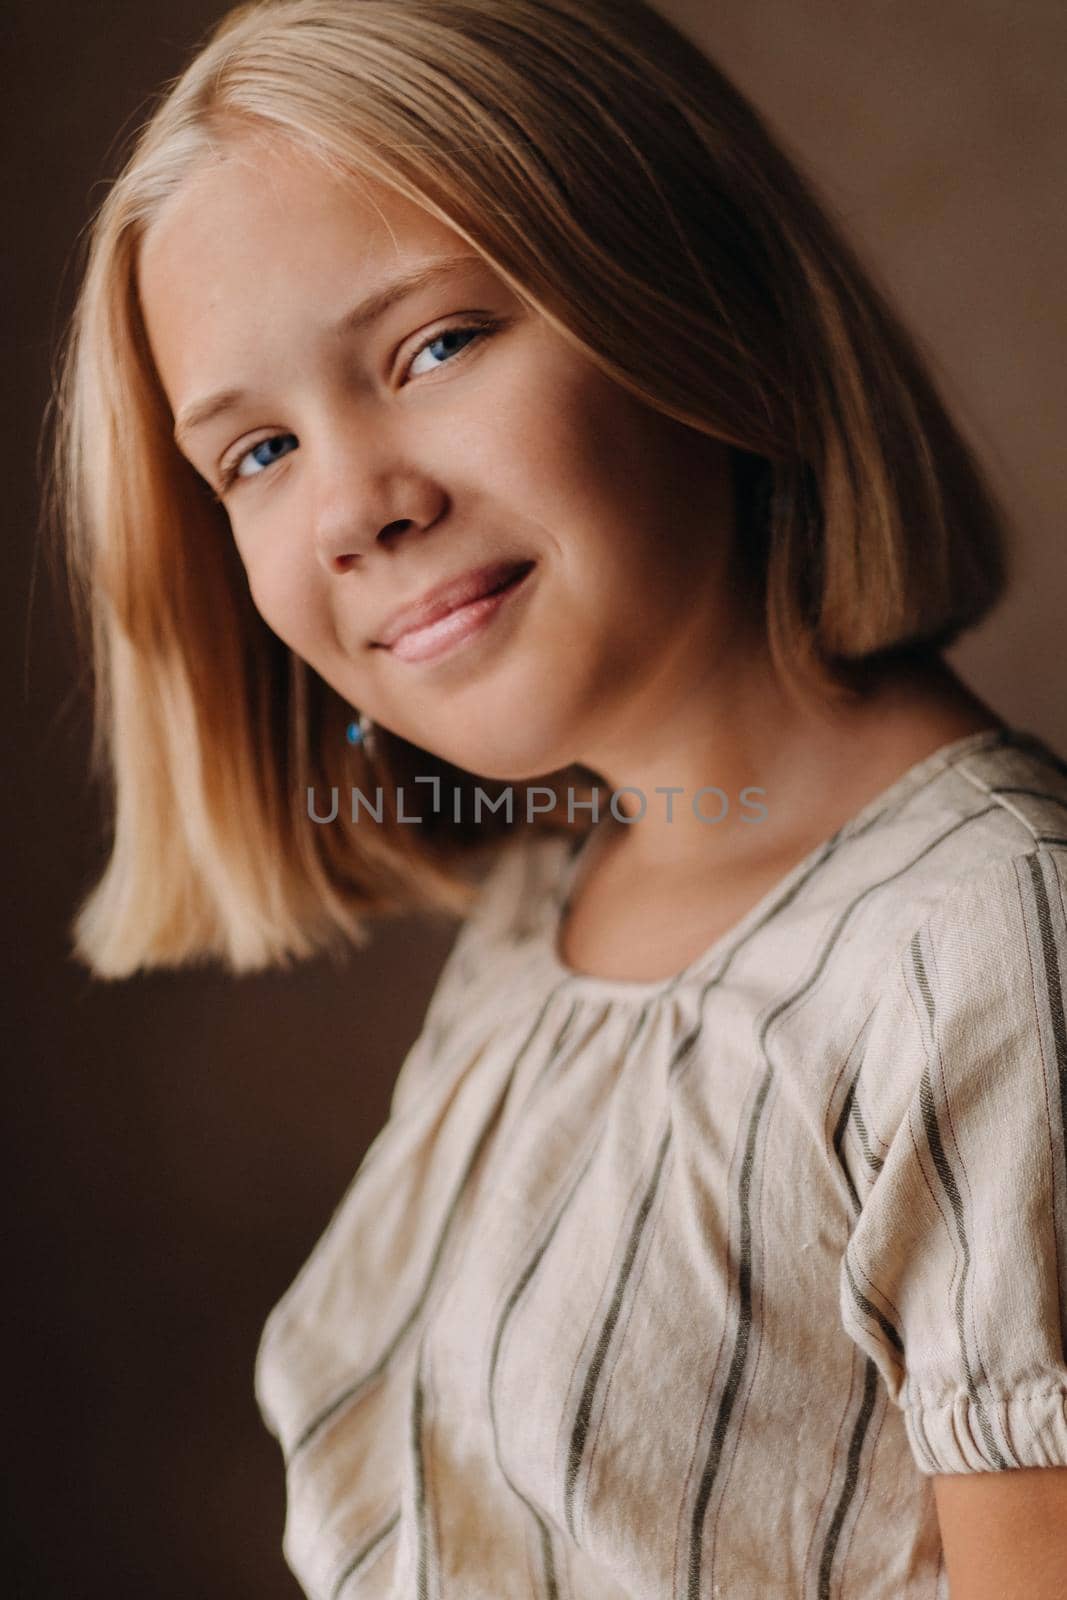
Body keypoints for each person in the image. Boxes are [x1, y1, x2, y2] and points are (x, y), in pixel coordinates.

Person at [46, 0, 1067, 1594]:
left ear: (693, 289)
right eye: (253, 454)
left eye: (435, 347)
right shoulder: (557, 896)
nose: (355, 508)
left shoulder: (990, 946)